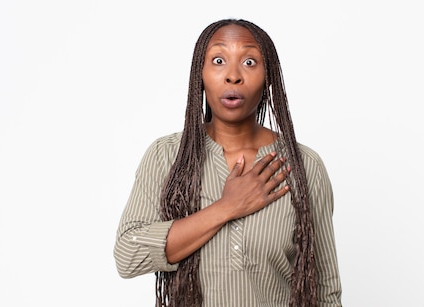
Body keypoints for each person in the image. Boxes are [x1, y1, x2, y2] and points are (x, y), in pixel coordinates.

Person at [114, 18, 342, 307]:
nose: (233, 75)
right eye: (219, 60)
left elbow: (324, 290)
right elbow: (128, 255)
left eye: (249, 62)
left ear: (268, 76)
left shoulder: (303, 166)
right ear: (201, 74)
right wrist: (228, 207)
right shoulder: (166, 156)